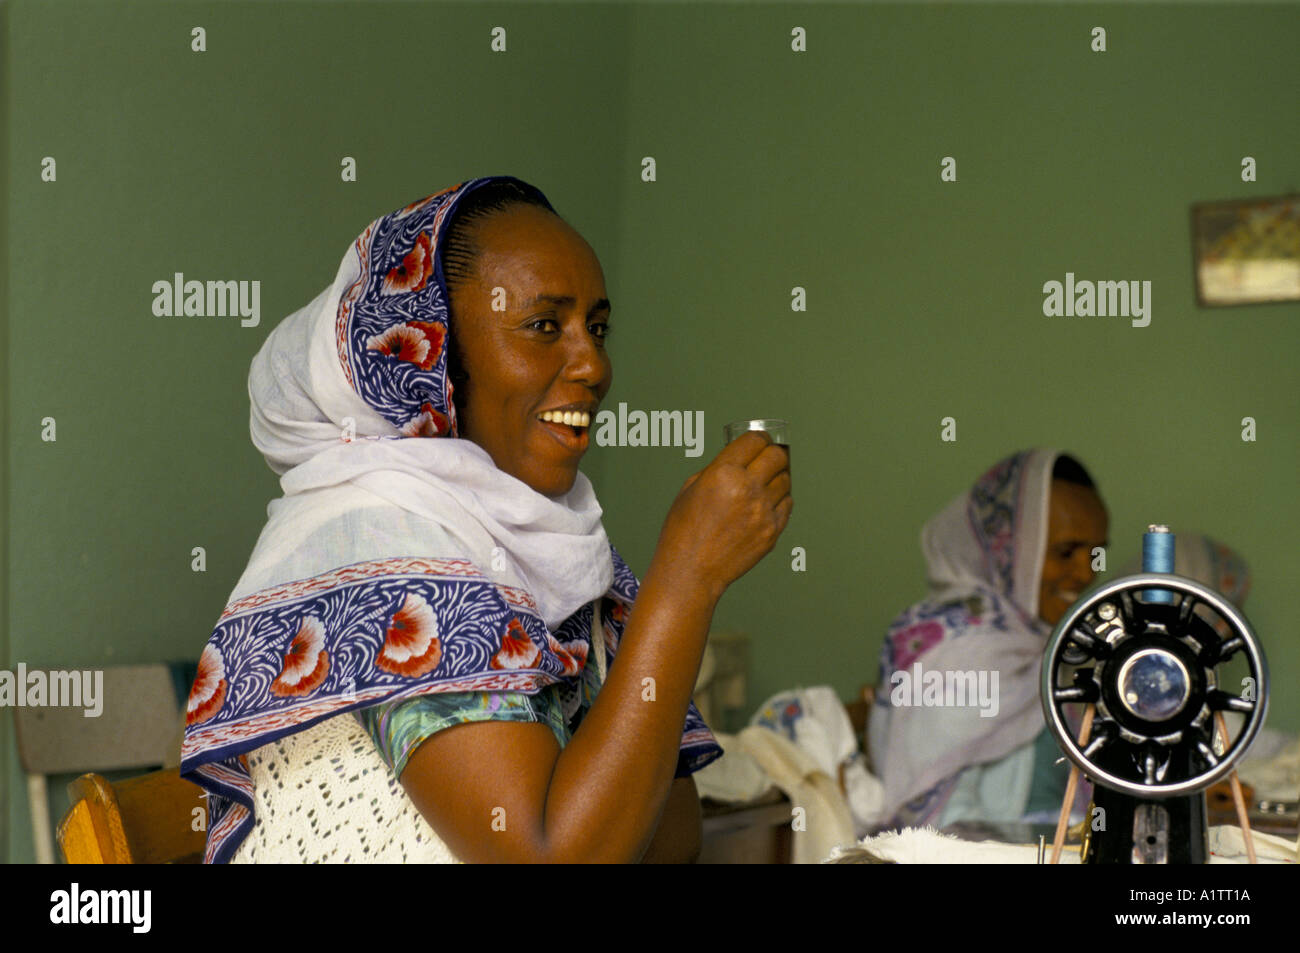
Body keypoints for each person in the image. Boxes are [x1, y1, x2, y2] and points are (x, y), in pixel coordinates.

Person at [179, 176, 793, 863]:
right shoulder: (376, 542)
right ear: (428, 357)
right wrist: (686, 576)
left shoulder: (550, 541)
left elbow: (668, 839)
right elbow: (549, 855)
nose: (594, 363)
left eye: (596, 327)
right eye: (543, 326)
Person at [867, 449, 1108, 830]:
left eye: (1096, 554)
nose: (1084, 572)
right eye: (1066, 552)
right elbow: (939, 830)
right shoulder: (949, 650)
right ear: (1008, 549)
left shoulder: (1053, 650)